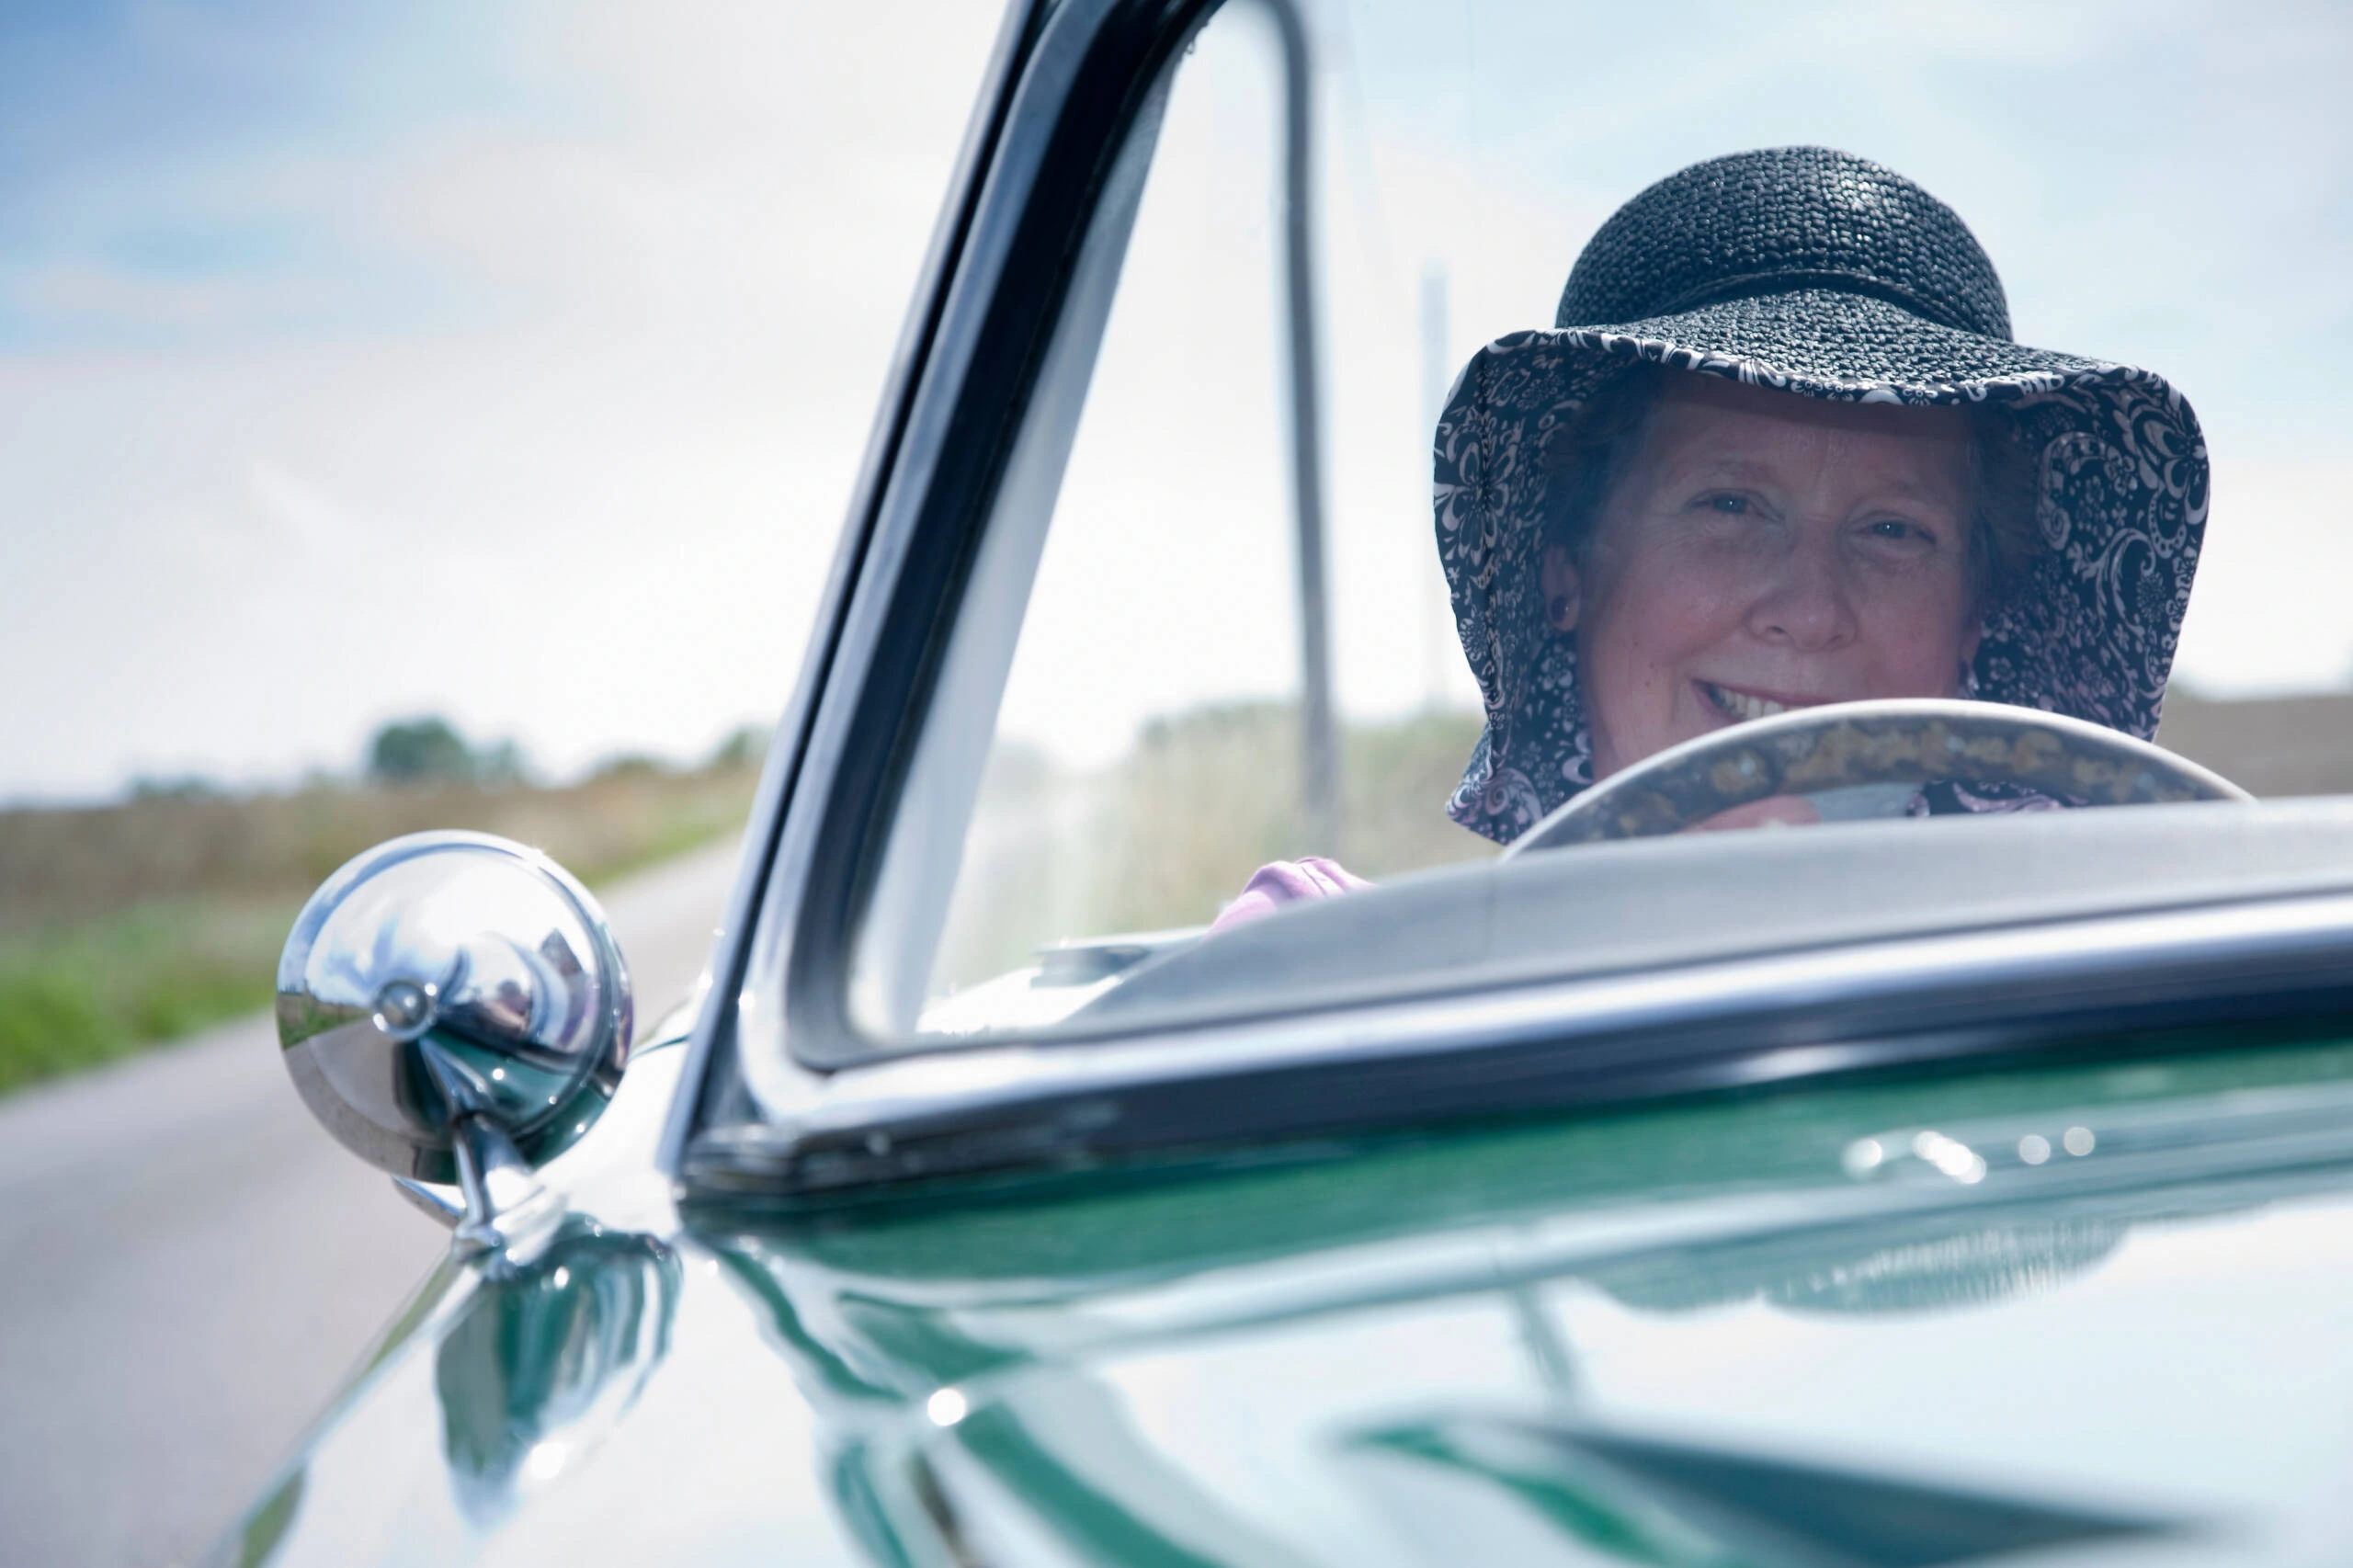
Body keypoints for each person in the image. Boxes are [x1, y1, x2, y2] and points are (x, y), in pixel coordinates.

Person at [1213, 144, 2207, 931]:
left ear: (1970, 624)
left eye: (1893, 529)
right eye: (1729, 506)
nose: (1810, 610)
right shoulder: (1332, 971)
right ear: (1565, 569)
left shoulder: (2116, 982)